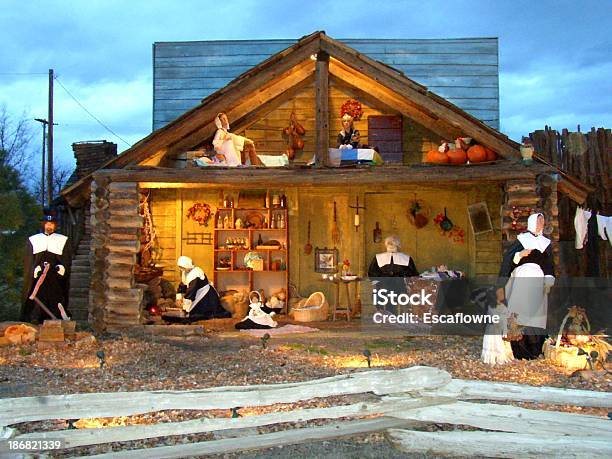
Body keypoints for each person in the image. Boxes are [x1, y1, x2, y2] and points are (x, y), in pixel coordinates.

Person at [497, 212, 554, 359]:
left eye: (542, 221)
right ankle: (519, 348)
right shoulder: (521, 240)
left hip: (538, 279)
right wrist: (520, 255)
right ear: (532, 223)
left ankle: (535, 349)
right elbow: (509, 260)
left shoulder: (545, 242)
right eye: (538, 221)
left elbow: (548, 264)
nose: (541, 224)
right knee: (519, 310)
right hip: (522, 277)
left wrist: (548, 280)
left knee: (536, 313)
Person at [21, 208, 71, 323]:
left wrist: (62, 268)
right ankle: (35, 319)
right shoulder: (34, 240)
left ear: (55, 226)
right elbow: (30, 261)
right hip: (39, 275)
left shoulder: (62, 240)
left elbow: (66, 259)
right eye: (47, 224)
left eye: (52, 224)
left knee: (56, 296)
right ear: (43, 225)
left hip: (55, 275)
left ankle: (57, 318)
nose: (49, 226)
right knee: (37, 295)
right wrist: (35, 269)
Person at [163, 256, 230, 323]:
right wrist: (178, 297)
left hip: (207, 295)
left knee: (204, 314)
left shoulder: (196, 273)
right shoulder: (185, 273)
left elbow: (192, 290)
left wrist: (185, 304)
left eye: (183, 268)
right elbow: (183, 285)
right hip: (198, 295)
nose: (182, 269)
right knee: (194, 314)